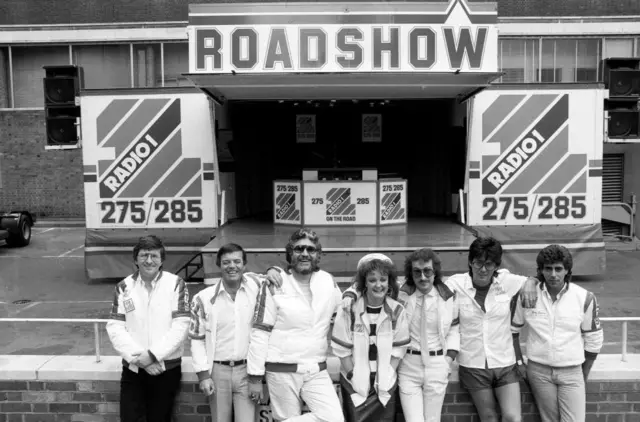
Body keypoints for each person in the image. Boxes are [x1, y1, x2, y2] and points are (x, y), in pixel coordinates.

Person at [342, 248, 460, 422]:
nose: (423, 277)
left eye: (427, 271)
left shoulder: (448, 296)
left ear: (435, 272)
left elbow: (454, 330)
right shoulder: (401, 293)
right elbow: (369, 282)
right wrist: (349, 294)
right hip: (409, 364)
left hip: (437, 364)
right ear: (411, 274)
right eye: (417, 272)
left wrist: (448, 360)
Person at [247, 228, 345, 422]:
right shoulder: (275, 282)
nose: (305, 254)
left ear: (318, 254)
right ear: (290, 253)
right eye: (299, 249)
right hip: (281, 369)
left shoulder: (327, 281)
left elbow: (346, 310)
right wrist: (255, 377)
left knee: (333, 418)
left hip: (316, 369)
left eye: (311, 249)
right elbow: (260, 332)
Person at [445, 237, 538, 422]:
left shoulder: (506, 281)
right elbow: (430, 290)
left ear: (496, 265)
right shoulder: (455, 284)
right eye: (478, 263)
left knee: (513, 417)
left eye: (489, 264)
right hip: (473, 364)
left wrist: (530, 283)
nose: (483, 269)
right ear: (470, 262)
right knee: (488, 417)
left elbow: (532, 280)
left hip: (504, 362)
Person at [512, 244, 603, 422]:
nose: (553, 274)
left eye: (558, 269)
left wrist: (582, 373)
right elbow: (512, 330)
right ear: (541, 270)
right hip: (538, 371)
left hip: (572, 371)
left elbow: (594, 339)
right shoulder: (527, 295)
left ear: (567, 270)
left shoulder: (584, 297)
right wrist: (519, 363)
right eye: (548, 269)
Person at [106, 235, 190, 422]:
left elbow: (181, 326)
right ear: (135, 259)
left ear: (162, 260)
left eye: (154, 256)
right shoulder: (123, 287)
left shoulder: (176, 284)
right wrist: (140, 359)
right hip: (133, 369)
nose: (149, 260)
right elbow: (115, 327)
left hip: (166, 370)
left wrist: (152, 355)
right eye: (144, 255)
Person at [189, 243, 267, 422]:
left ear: (244, 265)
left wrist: (273, 269)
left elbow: (275, 275)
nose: (232, 266)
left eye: (237, 261)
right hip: (217, 372)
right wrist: (203, 376)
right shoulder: (202, 298)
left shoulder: (256, 288)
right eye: (226, 262)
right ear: (219, 265)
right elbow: (197, 339)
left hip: (247, 371)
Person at [331, 253, 410, 422]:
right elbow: (341, 349)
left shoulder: (397, 310)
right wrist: (354, 375)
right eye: (372, 280)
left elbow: (398, 349)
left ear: (389, 282)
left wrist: (388, 373)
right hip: (354, 384)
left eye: (383, 279)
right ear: (364, 283)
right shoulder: (349, 309)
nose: (378, 285)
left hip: (385, 383)